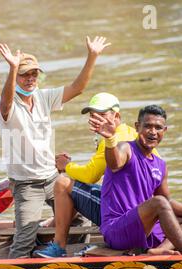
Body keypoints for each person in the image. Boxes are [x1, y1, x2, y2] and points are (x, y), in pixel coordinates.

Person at [0, 36, 111, 258]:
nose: (30, 79)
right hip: (26, 185)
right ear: (16, 78)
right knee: (23, 241)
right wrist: (12, 68)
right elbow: (6, 102)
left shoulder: (44, 97)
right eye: (24, 74)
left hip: (51, 178)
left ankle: (68, 255)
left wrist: (92, 56)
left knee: (80, 219)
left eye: (34, 74)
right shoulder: (7, 104)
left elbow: (77, 88)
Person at [34, 92, 159, 257]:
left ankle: (58, 246)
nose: (96, 120)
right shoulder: (135, 134)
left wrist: (66, 166)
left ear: (117, 116)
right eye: (93, 116)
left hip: (124, 214)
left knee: (63, 183)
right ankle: (56, 221)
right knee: (85, 186)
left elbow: (90, 175)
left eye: (102, 115)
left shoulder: (114, 140)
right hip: (140, 210)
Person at [90, 104, 182, 255]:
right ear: (137, 127)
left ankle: (156, 252)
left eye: (158, 128)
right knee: (158, 202)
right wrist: (110, 139)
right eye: (147, 126)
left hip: (144, 229)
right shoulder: (125, 149)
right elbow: (114, 163)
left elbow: (168, 203)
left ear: (164, 131)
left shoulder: (161, 165)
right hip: (117, 231)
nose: (153, 132)